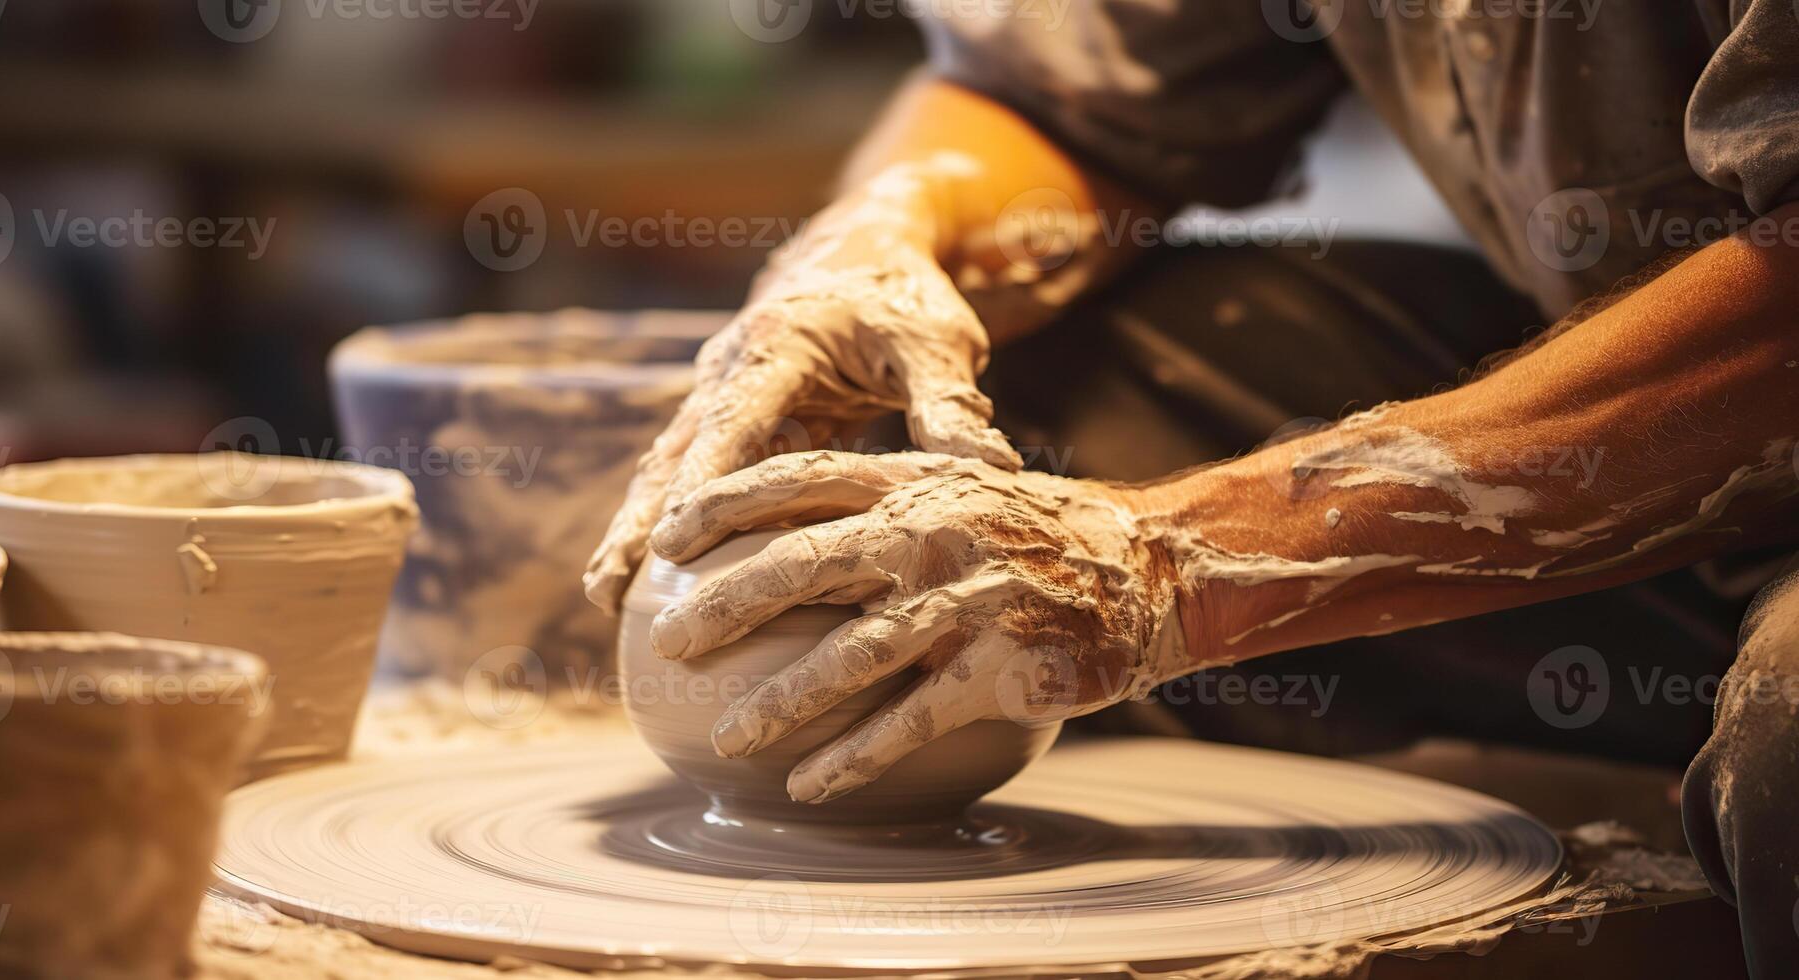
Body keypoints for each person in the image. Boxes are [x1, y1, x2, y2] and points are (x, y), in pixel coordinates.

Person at [585, 3, 1799, 972]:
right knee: (1008, 415)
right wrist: (877, 238)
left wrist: (1169, 559)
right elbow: (1060, 101)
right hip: (1631, 396)